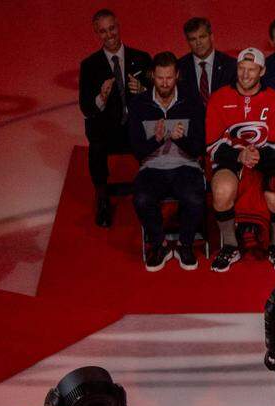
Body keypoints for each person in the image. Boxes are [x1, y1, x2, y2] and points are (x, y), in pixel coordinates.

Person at [205, 48, 275, 272]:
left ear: (262, 71)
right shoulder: (219, 98)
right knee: (222, 191)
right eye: (241, 69)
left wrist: (257, 156)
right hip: (230, 162)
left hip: (266, 162)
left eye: (251, 70)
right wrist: (239, 155)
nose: (245, 75)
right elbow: (212, 145)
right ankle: (230, 245)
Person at [128, 52, 207, 272]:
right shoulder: (139, 104)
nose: (165, 83)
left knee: (194, 197)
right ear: (152, 75)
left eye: (169, 78)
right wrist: (157, 139)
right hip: (151, 167)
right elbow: (136, 152)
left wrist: (182, 140)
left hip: (186, 165)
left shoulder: (192, 102)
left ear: (177, 76)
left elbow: (199, 148)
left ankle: (185, 244)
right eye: (160, 78)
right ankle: (159, 244)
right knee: (142, 198)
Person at [78, 8, 151, 228]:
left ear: (118, 26)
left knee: (154, 138)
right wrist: (101, 96)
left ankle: (152, 192)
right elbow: (86, 108)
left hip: (136, 127)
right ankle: (102, 197)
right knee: (97, 146)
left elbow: (160, 98)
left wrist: (143, 90)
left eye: (111, 29)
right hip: (108, 130)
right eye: (102, 31)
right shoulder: (89, 66)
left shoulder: (142, 58)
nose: (109, 35)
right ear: (96, 33)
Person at [176, 17, 235, 107]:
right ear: (187, 42)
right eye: (193, 39)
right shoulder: (179, 67)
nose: (198, 43)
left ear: (211, 37)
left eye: (202, 37)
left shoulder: (230, 65)